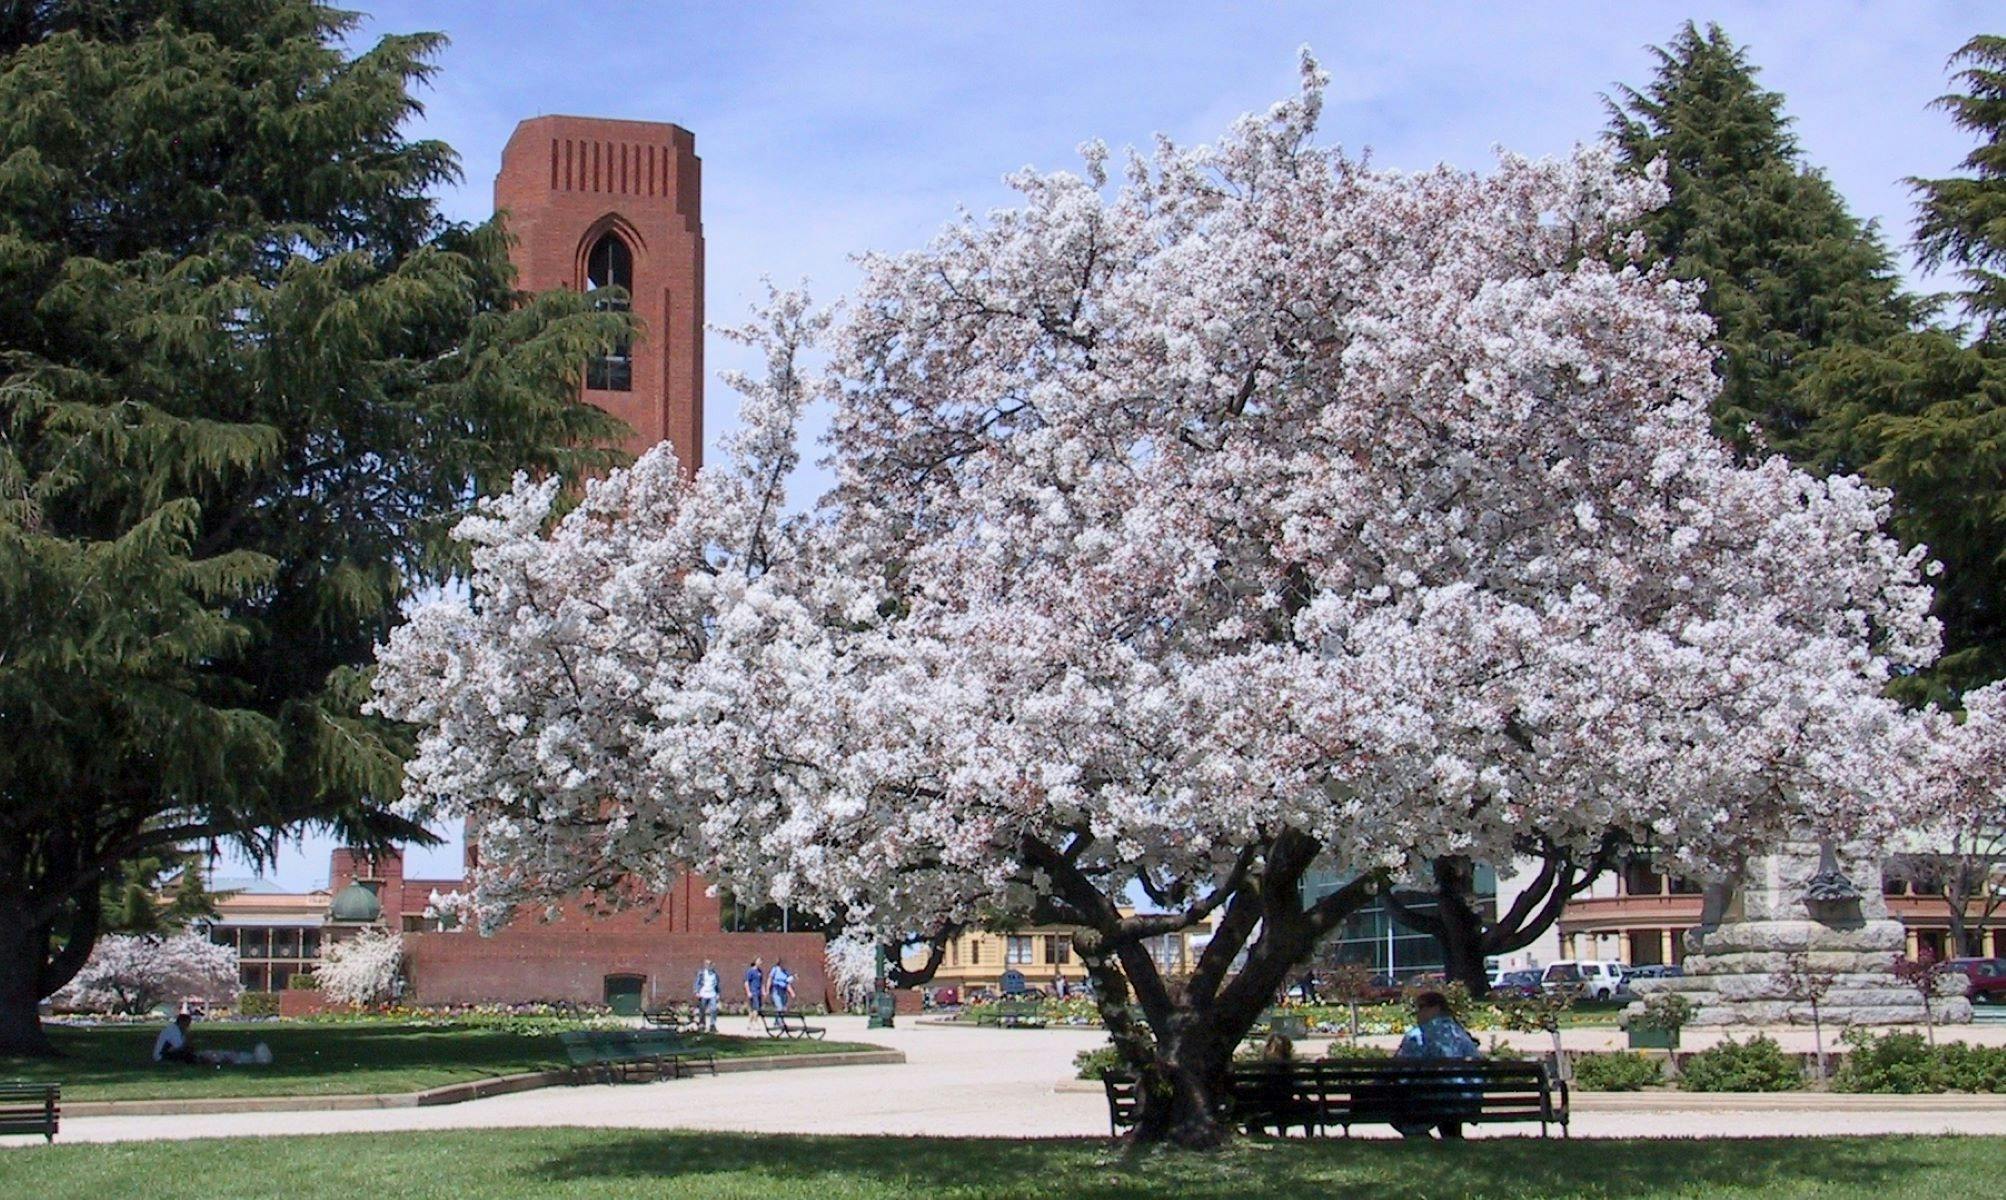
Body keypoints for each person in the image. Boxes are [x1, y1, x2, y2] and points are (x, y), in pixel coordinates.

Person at [1392, 990, 1481, 1139]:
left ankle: (1419, 1136)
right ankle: (1451, 1139)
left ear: (1436, 1008)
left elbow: (1401, 1069)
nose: (1417, 1013)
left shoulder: (1417, 1036)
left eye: (1421, 1007)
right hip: (1465, 1100)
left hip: (1430, 1100)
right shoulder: (1461, 1034)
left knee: (1390, 1099)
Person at [694, 959, 721, 1032]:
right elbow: (697, 983)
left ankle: (712, 1025)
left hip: (712, 994)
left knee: (714, 1009)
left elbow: (717, 984)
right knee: (702, 1010)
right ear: (705, 965)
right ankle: (702, 1024)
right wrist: (697, 992)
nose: (709, 966)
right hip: (703, 994)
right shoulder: (701, 973)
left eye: (710, 964)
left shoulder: (715, 974)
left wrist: (718, 993)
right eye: (707, 964)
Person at [744, 957, 765, 1031]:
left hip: (759, 992)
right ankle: (755, 1022)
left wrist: (763, 991)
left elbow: (761, 982)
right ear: (755, 961)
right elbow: (746, 983)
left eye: (761, 961)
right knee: (755, 1008)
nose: (761, 962)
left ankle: (749, 1023)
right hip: (753, 992)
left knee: (753, 1009)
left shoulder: (760, 971)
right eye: (759, 961)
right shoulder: (750, 971)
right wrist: (748, 992)